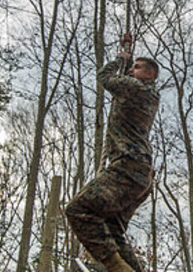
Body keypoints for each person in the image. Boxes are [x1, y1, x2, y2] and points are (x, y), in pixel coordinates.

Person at [66, 51, 159, 272]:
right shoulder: (139, 92)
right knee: (112, 230)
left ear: (150, 73)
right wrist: (126, 65)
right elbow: (117, 83)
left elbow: (105, 76)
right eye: (131, 67)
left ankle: (116, 267)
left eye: (136, 67)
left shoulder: (137, 89)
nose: (130, 70)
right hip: (139, 174)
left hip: (128, 166)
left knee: (77, 208)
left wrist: (121, 59)